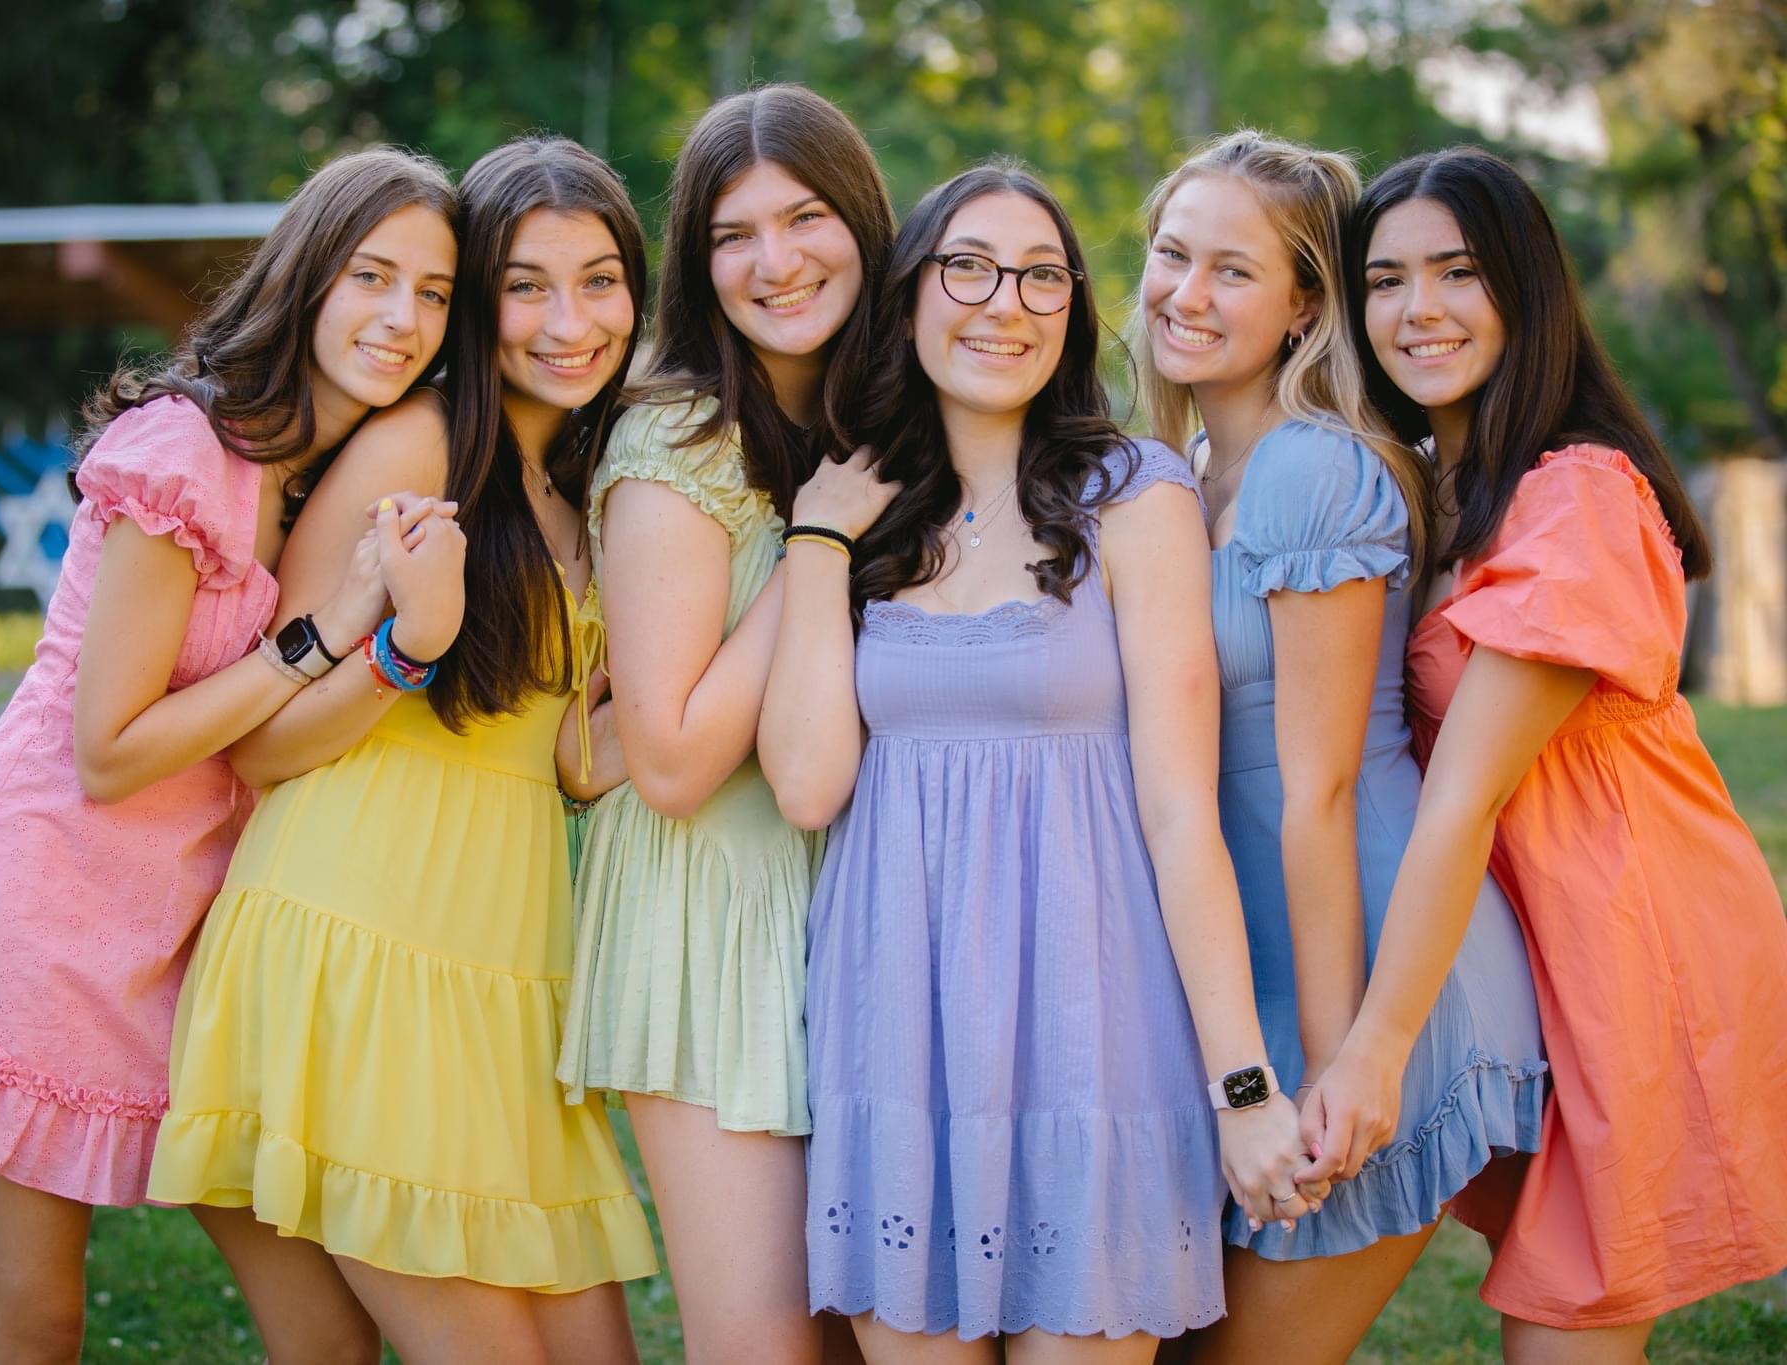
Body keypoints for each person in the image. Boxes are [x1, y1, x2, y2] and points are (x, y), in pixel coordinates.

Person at [0, 145, 458, 1365]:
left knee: (327, 1332)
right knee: (36, 1322)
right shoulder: (186, 451)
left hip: (191, 935)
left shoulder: (333, 475)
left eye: (433, 293)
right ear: (306, 277)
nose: (399, 318)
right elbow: (109, 753)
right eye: (370, 275)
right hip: (49, 907)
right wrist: (330, 628)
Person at [762, 159, 1317, 1360]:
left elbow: (1180, 812)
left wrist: (1243, 1087)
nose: (1001, 303)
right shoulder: (860, 512)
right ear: (909, 298)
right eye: (966, 267)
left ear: (1071, 308)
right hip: (898, 1039)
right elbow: (807, 784)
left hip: (1090, 1038)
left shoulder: (1132, 495)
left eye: (1038, 276)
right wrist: (814, 545)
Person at [146, 137, 658, 1364]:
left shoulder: (580, 475)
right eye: (524, 285)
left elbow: (560, 762)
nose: (568, 321)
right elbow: (261, 742)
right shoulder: (419, 447)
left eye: (599, 281)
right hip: (360, 944)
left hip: (500, 980)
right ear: (475, 298)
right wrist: (404, 649)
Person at [1323, 144, 1787, 1362]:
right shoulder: (1436, 483)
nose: (1415, 310)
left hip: (1627, 944)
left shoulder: (1575, 491)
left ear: (1526, 291)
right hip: (1519, 939)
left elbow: (1465, 796)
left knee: (1564, 1316)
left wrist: (1373, 1048)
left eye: (1457, 272)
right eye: (1383, 280)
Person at [1126, 131, 1545, 1363]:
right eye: (1169, 254)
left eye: (1233, 271)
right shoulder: (1189, 469)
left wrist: (1328, 1061)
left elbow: (1313, 791)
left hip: (1361, 974)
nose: (1185, 295)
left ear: (1307, 303)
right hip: (1257, 972)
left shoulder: (1312, 472)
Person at [555, 84, 895, 1361]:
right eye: (733, 235)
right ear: (697, 264)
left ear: (862, 223)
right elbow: (671, 758)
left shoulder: (879, 420)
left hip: (854, 904)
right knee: (765, 1343)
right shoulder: (673, 442)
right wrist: (818, 536)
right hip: (712, 919)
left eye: (805, 218)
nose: (777, 261)